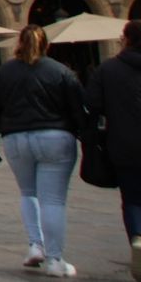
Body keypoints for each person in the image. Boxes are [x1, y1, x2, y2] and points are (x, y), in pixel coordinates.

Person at [0, 24, 87, 277]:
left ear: (19, 43)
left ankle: (35, 246)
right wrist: (88, 138)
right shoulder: (61, 72)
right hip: (55, 137)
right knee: (53, 200)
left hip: (16, 139)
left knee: (28, 193)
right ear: (46, 44)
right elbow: (78, 109)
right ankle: (54, 259)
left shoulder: (3, 73)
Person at [84, 19, 141, 280]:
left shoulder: (108, 70)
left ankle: (138, 247)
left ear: (125, 39)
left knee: (132, 201)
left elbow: (91, 107)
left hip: (125, 146)